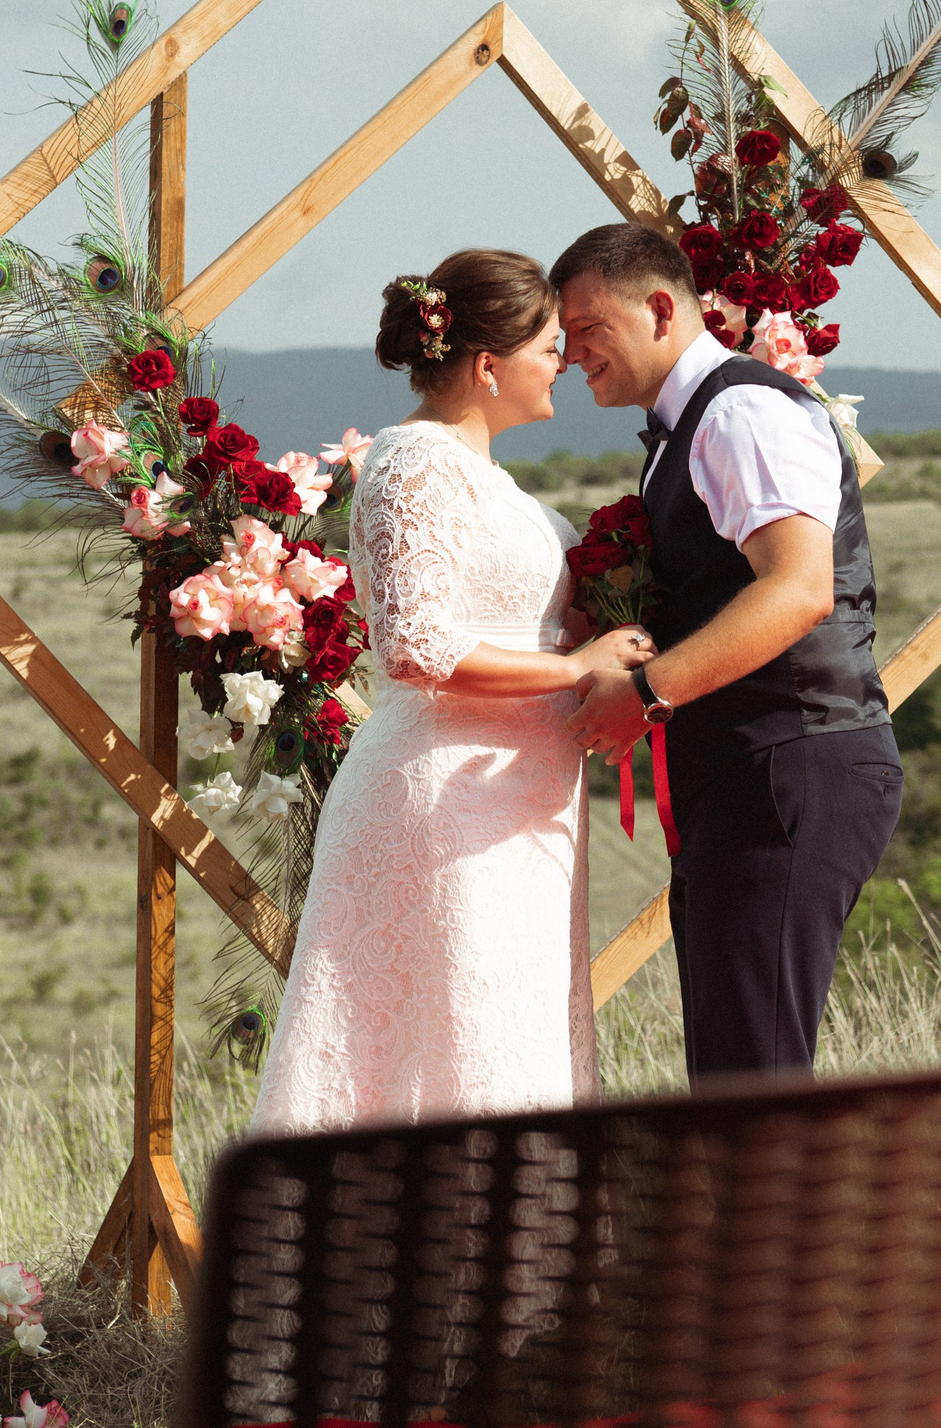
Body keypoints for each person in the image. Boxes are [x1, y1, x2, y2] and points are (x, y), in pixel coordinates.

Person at [247, 249, 655, 1137]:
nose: (562, 363)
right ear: (487, 365)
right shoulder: (414, 463)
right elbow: (416, 647)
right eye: (550, 344)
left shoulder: (481, 475)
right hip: (446, 799)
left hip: (512, 801)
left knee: (505, 1039)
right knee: (455, 1045)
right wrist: (579, 670)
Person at [555, 221, 902, 1082]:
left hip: (791, 766)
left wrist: (644, 695)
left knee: (756, 1079)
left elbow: (797, 588)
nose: (570, 354)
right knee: (734, 1072)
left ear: (661, 308)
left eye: (586, 329)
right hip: (753, 772)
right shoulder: (689, 427)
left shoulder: (742, 411)